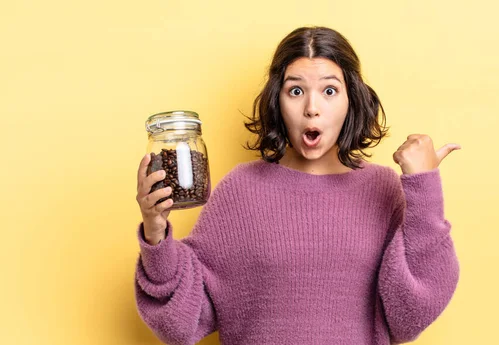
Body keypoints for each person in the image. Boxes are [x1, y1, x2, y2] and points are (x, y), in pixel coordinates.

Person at [134, 26, 461, 345]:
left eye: (329, 90)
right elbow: (180, 324)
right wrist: (155, 231)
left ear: (351, 100)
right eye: (296, 90)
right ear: (278, 100)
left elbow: (411, 318)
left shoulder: (383, 189)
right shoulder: (242, 189)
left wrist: (424, 186)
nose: (312, 108)